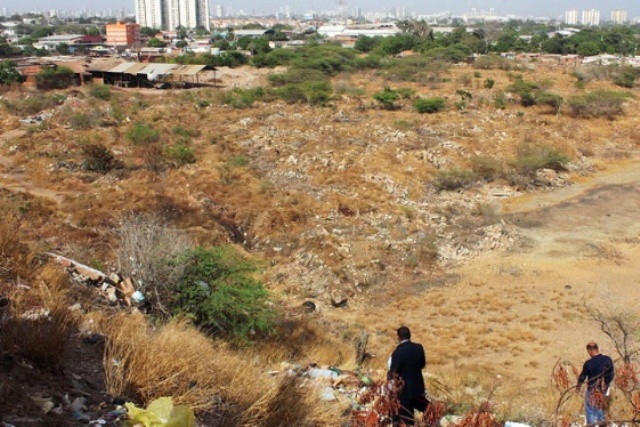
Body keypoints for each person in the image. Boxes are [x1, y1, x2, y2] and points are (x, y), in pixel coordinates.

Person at [388, 326, 427, 426]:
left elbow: (393, 373)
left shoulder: (397, 353)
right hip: (418, 387)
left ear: (398, 337)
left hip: (404, 391)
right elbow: (422, 364)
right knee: (426, 409)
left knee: (407, 419)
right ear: (409, 335)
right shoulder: (419, 348)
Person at [576, 342, 614, 425]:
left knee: (590, 411)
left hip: (592, 390)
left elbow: (582, 376)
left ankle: (591, 425)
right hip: (603, 390)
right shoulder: (607, 359)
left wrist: (578, 387)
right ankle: (602, 424)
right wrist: (606, 385)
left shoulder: (589, 363)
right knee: (599, 408)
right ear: (597, 349)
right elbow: (611, 374)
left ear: (590, 350)